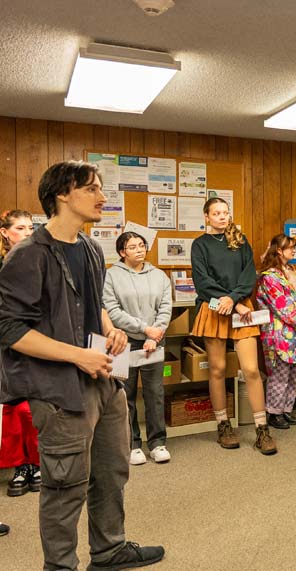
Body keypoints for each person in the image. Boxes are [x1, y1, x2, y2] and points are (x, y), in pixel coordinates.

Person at [0, 161, 164, 570]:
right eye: (91, 188)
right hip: (59, 392)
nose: (102, 197)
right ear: (63, 194)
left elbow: (94, 308)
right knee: (64, 486)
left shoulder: (90, 248)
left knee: (111, 472)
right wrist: (77, 355)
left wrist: (111, 330)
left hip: (104, 381)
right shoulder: (28, 255)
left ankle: (109, 551)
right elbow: (10, 329)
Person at [191, 196, 276, 455]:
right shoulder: (200, 244)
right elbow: (202, 282)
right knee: (217, 369)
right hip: (213, 308)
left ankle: (262, 430)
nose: (222, 216)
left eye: (225, 212)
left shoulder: (240, 241)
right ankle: (223, 426)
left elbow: (249, 274)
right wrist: (226, 300)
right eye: (216, 213)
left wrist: (235, 299)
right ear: (206, 217)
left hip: (240, 308)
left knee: (251, 369)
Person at [103, 231, 172, 466]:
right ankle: (132, 444)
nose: (139, 250)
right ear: (122, 252)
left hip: (155, 340)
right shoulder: (110, 276)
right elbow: (111, 310)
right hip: (123, 341)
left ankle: (157, 443)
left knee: (155, 394)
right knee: (125, 395)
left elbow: (165, 307)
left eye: (141, 245)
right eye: (132, 247)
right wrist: (145, 329)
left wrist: (156, 334)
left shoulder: (159, 275)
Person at [0, 209, 41, 498]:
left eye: (30, 228)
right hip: (7, 346)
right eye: (19, 228)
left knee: (35, 409)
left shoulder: (39, 264)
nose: (26, 233)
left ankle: (37, 464)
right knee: (14, 410)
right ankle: (19, 466)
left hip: (37, 343)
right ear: (5, 232)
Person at [256, 234, 296, 430]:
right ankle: (273, 412)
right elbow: (282, 305)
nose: (294, 250)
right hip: (278, 332)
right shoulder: (269, 277)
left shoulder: (291, 270)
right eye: (290, 247)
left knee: (292, 373)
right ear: (279, 250)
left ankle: (286, 410)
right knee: (279, 373)